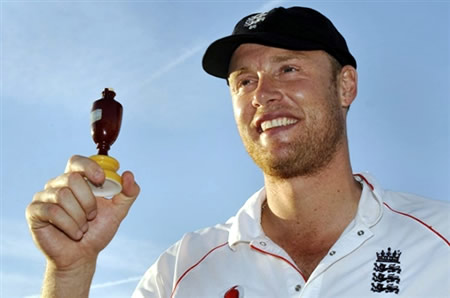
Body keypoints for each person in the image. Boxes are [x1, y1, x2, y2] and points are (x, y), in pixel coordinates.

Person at [26, 6, 449, 297]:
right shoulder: (180, 272)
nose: (263, 95)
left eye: (288, 69)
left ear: (345, 86)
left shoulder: (439, 242)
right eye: (244, 81)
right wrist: (71, 272)